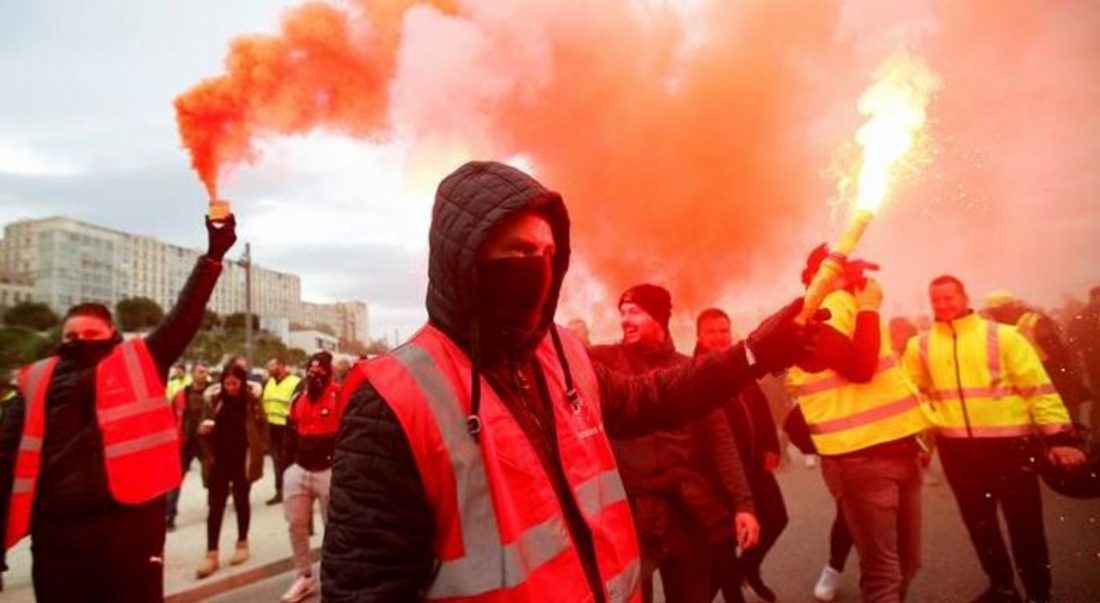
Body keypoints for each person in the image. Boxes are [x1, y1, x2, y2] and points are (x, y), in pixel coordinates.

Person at [321, 160, 816, 601]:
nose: (537, 267)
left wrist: (753, 353)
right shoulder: (391, 400)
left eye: (548, 252)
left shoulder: (562, 355)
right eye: (517, 251)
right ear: (464, 261)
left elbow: (656, 397)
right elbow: (364, 587)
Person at [0, 214, 235, 602]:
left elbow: (184, 317)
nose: (78, 340)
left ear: (112, 334)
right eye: (70, 335)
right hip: (58, 538)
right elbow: (6, 460)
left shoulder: (140, 360)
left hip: (130, 531)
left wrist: (213, 256)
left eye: (89, 333)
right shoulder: (35, 379)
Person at [902, 275, 1085, 603]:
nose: (943, 305)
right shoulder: (921, 346)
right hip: (956, 450)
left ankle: (1039, 594)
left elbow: (1038, 388)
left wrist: (1060, 438)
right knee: (980, 526)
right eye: (937, 300)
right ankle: (1002, 586)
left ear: (964, 297)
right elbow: (912, 397)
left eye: (949, 298)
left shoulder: (1005, 337)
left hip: (1010, 447)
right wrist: (921, 443)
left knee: (1025, 527)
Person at [589, 287, 759, 603]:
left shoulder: (689, 372)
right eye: (623, 312)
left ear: (660, 319)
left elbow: (721, 443)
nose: (626, 319)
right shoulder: (603, 363)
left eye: (635, 311)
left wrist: (743, 505)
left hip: (687, 513)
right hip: (631, 516)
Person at [786, 246, 932, 603]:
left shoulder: (847, 306)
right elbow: (862, 369)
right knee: (885, 572)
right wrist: (868, 306)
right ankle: (833, 572)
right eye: (843, 268)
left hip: (897, 449)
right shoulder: (823, 309)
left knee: (906, 564)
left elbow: (884, 379)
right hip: (862, 460)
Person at [696, 308, 786, 603]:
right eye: (712, 331)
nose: (720, 337)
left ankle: (746, 568)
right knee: (720, 548)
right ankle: (731, 580)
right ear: (699, 336)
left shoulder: (739, 363)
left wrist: (772, 446)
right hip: (719, 475)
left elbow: (760, 408)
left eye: (724, 330)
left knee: (775, 519)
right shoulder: (693, 373)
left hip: (755, 465)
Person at [280, 351, 345, 602]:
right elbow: (288, 435)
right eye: (310, 370)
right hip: (300, 468)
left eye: (319, 372)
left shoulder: (339, 396)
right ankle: (304, 576)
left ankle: (335, 574)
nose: (314, 375)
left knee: (334, 525)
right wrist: (286, 469)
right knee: (296, 524)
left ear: (328, 374)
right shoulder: (298, 399)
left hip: (329, 471)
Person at [195, 363, 267, 579]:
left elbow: (262, 426)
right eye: (227, 384)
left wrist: (257, 449)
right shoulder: (215, 401)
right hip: (219, 461)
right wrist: (203, 430)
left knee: (241, 501)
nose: (231, 388)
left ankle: (242, 543)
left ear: (242, 382)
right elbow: (203, 424)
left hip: (241, 460)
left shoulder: (251, 401)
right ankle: (212, 553)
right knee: (215, 506)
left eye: (234, 383)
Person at [985, 290, 1088, 426]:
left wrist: (1067, 373)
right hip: (1028, 375)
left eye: (995, 310)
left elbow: (1057, 350)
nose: (994, 314)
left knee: (1061, 413)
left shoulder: (1032, 320)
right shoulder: (1001, 327)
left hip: (1050, 372)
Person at [166, 363, 212, 530]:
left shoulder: (213, 393)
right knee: (175, 480)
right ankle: (169, 516)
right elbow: (170, 417)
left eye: (205, 372)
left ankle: (215, 509)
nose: (203, 374)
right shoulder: (180, 395)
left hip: (206, 442)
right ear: (192, 374)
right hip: (185, 442)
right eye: (200, 371)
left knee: (212, 476)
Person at [262, 356, 301, 505]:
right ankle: (280, 491)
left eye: (272, 366)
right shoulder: (269, 382)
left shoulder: (295, 382)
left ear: (282, 366)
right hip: (272, 428)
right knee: (277, 462)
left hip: (288, 428)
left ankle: (293, 491)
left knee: (289, 462)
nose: (269, 368)